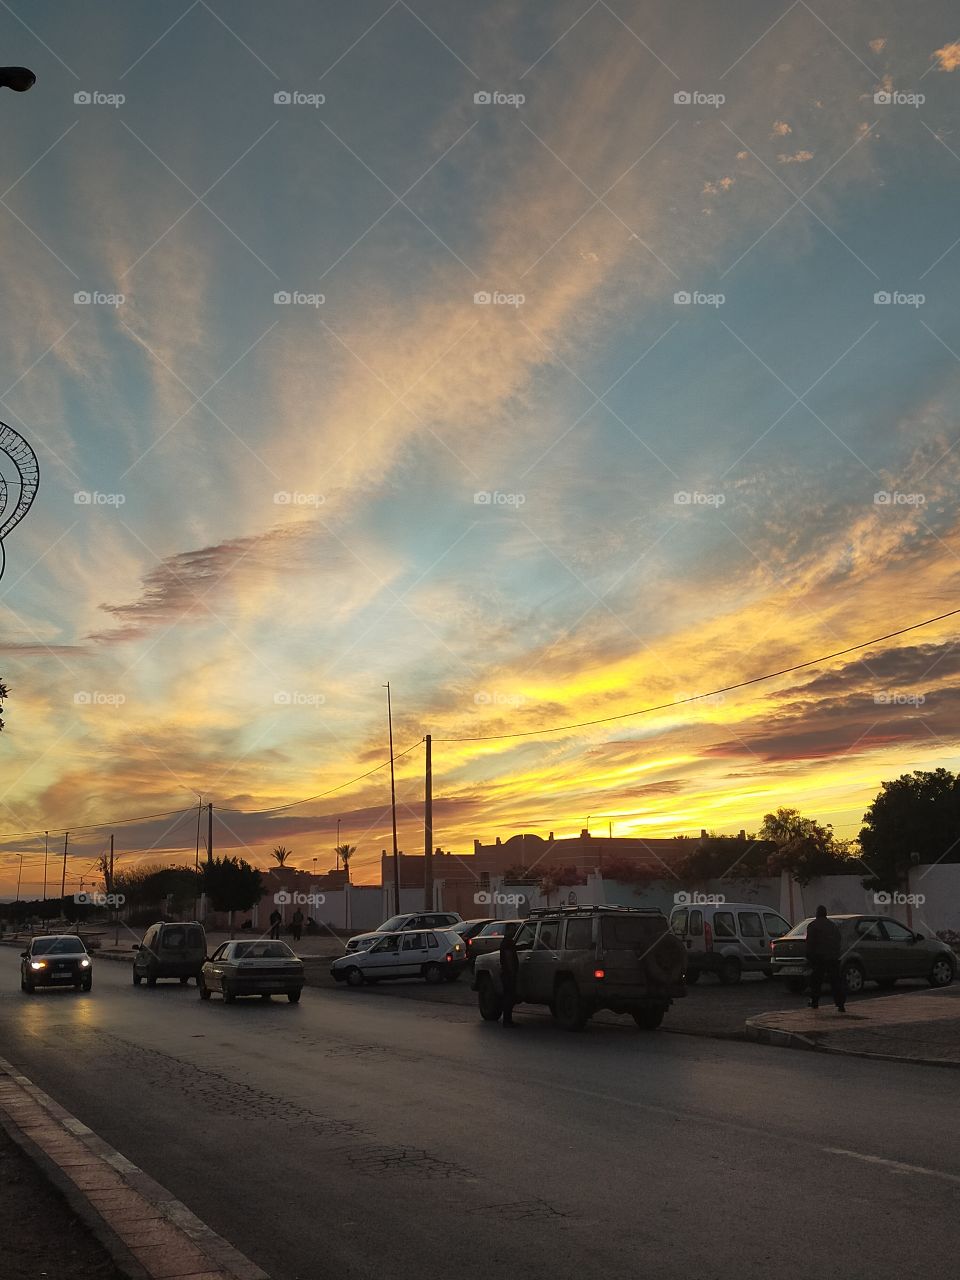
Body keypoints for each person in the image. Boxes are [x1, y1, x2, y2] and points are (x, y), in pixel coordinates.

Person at [805, 905, 845, 1012]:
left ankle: (814, 1002)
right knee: (835, 981)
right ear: (825, 913)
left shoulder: (813, 926)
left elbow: (810, 943)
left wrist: (809, 957)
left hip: (819, 957)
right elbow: (838, 940)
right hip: (832, 957)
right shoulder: (832, 926)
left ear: (817, 913)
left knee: (816, 981)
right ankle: (840, 1004)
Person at [499, 922, 520, 1027]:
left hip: (507, 973)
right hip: (508, 974)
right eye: (512, 929)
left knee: (509, 997)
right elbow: (508, 958)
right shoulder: (507, 942)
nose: (514, 931)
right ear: (507, 931)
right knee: (509, 997)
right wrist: (512, 972)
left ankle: (508, 1020)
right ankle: (507, 1020)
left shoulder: (507, 942)